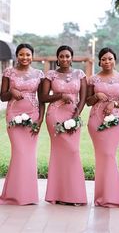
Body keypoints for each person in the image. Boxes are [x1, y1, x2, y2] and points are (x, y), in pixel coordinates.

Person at [41, 45, 87, 205]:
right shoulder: (50, 75)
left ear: (72, 57)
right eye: (61, 56)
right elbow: (43, 97)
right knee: (59, 153)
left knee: (73, 152)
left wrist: (76, 116)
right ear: (57, 58)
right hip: (55, 115)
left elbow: (83, 99)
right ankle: (57, 195)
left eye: (67, 56)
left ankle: (74, 195)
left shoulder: (80, 74)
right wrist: (60, 95)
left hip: (73, 115)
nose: (65, 59)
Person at [0, 43, 45, 205]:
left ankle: (28, 195)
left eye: (28, 54)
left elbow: (42, 99)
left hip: (33, 115)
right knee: (19, 153)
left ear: (32, 56)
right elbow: (2, 97)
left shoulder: (39, 74)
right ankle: (13, 194)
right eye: (21, 54)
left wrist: (40, 120)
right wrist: (11, 91)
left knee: (29, 155)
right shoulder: (9, 72)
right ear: (16, 56)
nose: (24, 57)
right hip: (13, 114)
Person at [87, 47, 119, 207]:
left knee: (109, 154)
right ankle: (101, 197)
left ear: (115, 60)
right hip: (96, 120)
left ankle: (113, 197)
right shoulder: (93, 79)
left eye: (110, 58)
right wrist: (96, 96)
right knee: (102, 156)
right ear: (99, 61)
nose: (107, 61)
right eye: (104, 59)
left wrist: (115, 103)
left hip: (115, 120)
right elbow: (87, 102)